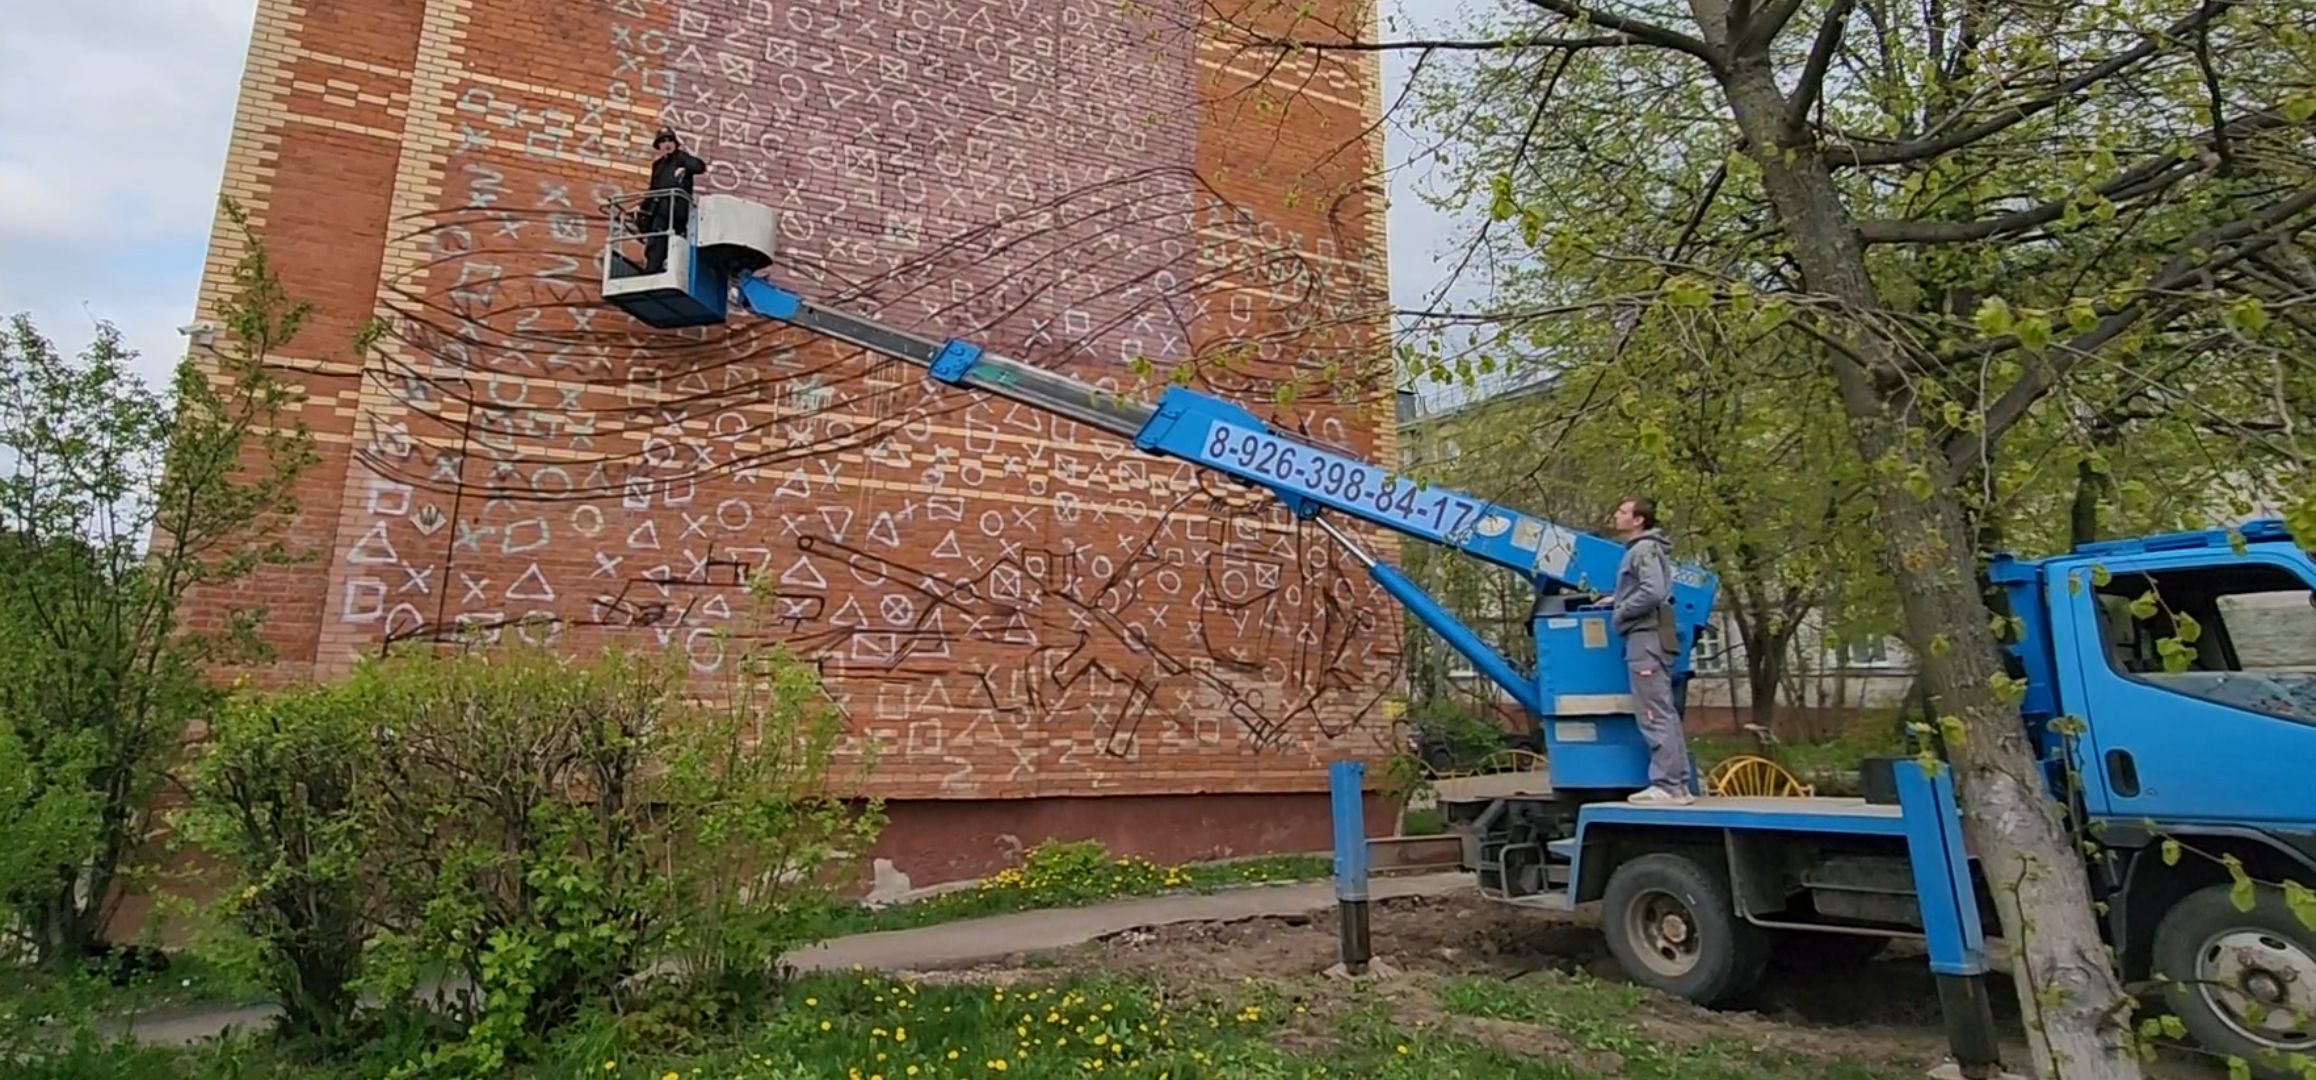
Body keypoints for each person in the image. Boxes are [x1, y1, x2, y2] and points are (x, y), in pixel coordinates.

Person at [1609, 495, 1692, 805]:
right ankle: (1677, 784)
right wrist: (1616, 599)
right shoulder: (1646, 549)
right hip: (1652, 636)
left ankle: (1667, 785)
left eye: (1622, 511)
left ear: (1639, 519)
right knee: (1663, 711)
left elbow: (1653, 591)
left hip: (1645, 639)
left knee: (1653, 712)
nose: (1616, 515)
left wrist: (1621, 612)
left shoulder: (1642, 549)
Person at [636, 128, 707, 273]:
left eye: (669, 140)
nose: (667, 144)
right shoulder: (658, 165)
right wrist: (641, 207)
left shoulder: (681, 157)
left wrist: (685, 167)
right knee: (656, 242)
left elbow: (699, 166)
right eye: (663, 141)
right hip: (660, 210)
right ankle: (652, 270)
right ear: (658, 146)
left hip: (677, 211)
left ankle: (660, 270)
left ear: (675, 143)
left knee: (673, 243)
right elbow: (653, 189)